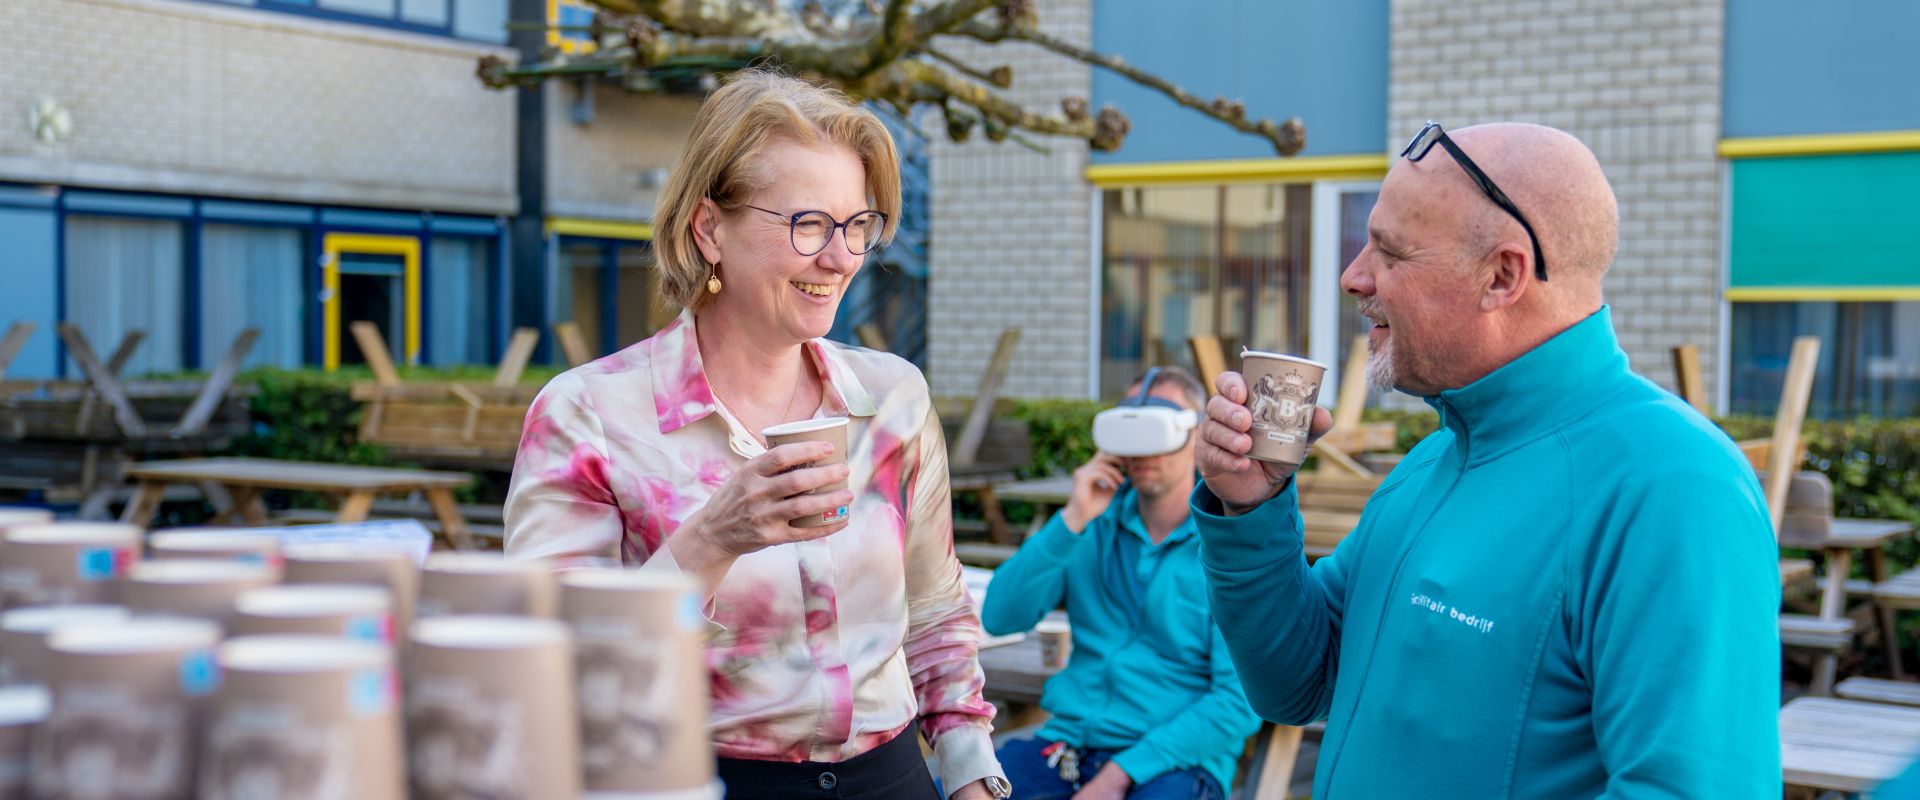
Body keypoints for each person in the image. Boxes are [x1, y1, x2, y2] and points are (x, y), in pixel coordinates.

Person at [1190, 121, 1780, 797]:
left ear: (1502, 275)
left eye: (1390, 251)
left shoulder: (1674, 488)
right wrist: (1251, 506)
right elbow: (1298, 683)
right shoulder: (1435, 458)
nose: (1355, 277)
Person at [504, 70, 1008, 800]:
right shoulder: (589, 415)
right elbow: (551, 670)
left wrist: (970, 772)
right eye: (808, 224)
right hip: (691, 780)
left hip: (893, 779)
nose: (839, 258)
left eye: (856, 226)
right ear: (710, 229)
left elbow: (934, 610)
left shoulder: (893, 397)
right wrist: (711, 540)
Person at [982, 367, 1258, 800]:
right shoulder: (1090, 528)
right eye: (1131, 429)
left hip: (1173, 763)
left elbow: (1238, 702)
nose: (1142, 452)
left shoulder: (1227, 549)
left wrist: (1119, 774)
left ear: (1197, 436)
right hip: (1068, 746)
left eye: (1158, 429)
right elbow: (999, 616)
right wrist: (1072, 518)